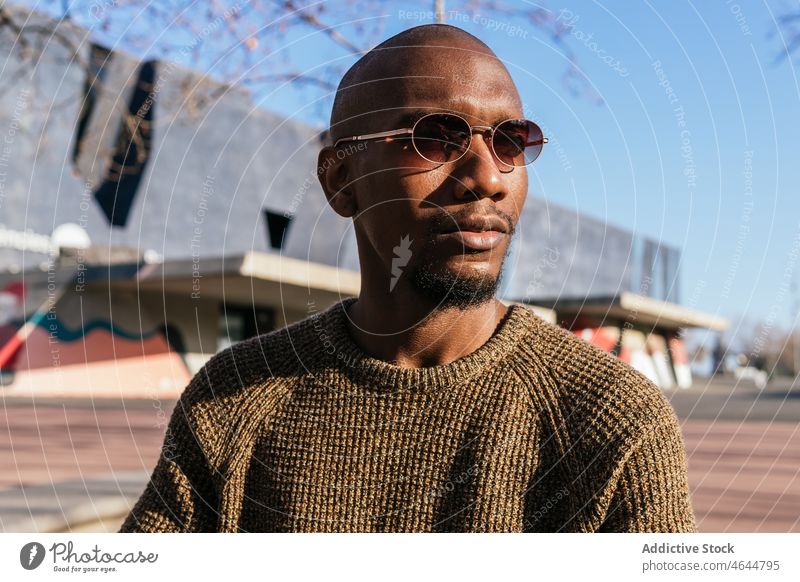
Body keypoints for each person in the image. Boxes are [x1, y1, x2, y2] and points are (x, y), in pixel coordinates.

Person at [119, 24, 697, 533]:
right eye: (435, 138)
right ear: (341, 178)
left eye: (509, 141)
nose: (486, 177)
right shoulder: (237, 398)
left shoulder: (611, 421)